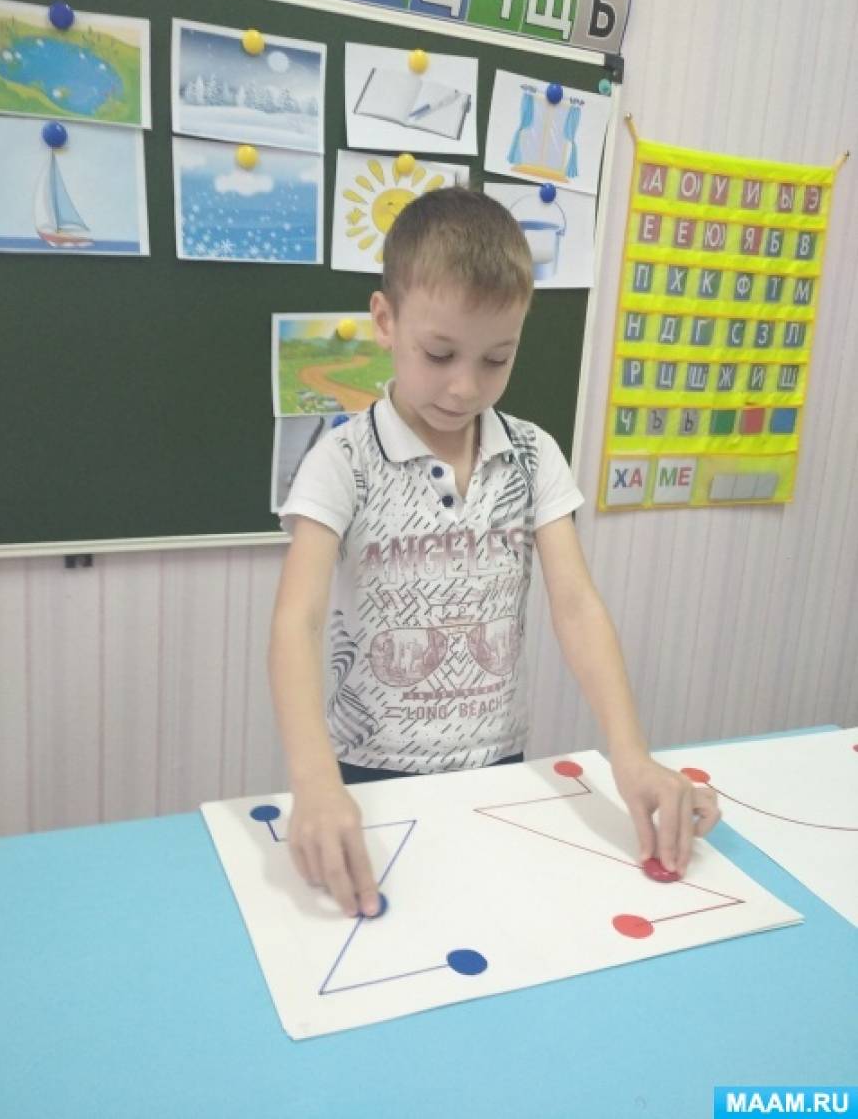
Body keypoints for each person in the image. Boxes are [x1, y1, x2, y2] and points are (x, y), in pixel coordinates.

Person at [269, 187, 719, 919]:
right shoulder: (342, 461)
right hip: (368, 772)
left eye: (496, 359)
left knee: (494, 924)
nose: (464, 386)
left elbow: (576, 606)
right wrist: (315, 780)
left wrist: (629, 752)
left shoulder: (534, 455)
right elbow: (298, 621)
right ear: (385, 320)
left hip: (497, 765)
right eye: (439, 353)